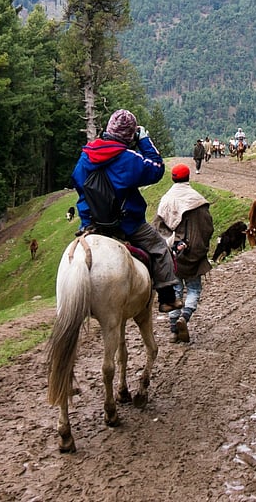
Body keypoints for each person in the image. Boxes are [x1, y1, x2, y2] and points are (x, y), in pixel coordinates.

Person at [71, 109, 183, 313]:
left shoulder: (86, 155)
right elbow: (157, 168)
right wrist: (144, 142)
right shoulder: (128, 158)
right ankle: (167, 297)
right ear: (131, 135)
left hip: (91, 223)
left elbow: (77, 180)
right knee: (159, 247)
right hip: (126, 224)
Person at [151, 164, 213, 343]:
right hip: (194, 255)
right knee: (194, 288)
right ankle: (184, 318)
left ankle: (173, 330)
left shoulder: (166, 200)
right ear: (188, 177)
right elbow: (207, 227)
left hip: (172, 256)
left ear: (173, 178)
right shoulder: (198, 200)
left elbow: (158, 228)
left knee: (175, 290)